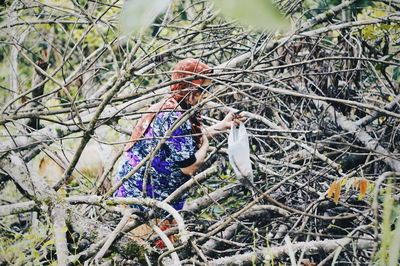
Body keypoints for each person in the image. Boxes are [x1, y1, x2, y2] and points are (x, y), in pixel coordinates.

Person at [113, 57, 244, 214]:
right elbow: (189, 167)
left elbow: (185, 141)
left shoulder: (176, 106)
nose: (205, 95)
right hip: (140, 200)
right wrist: (206, 145)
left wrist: (222, 125)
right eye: (201, 90)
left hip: (147, 195)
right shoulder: (172, 116)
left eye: (208, 89)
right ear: (186, 87)